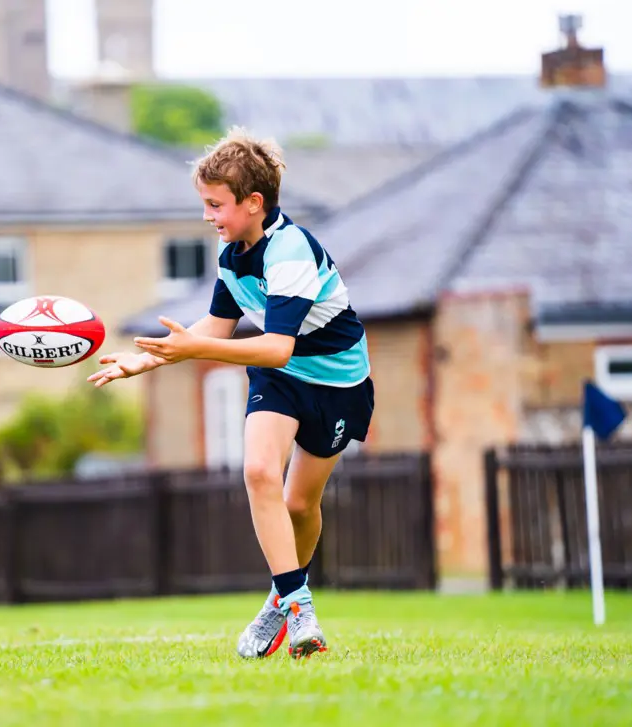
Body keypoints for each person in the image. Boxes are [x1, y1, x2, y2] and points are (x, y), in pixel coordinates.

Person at [88, 128, 374, 660]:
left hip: (338, 382)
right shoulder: (231, 254)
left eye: (215, 204)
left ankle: (277, 600)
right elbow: (216, 329)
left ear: (254, 203)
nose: (207, 216)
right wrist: (142, 362)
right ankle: (298, 605)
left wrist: (193, 350)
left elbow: (275, 347)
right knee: (260, 472)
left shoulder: (289, 251)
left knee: (300, 502)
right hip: (282, 378)